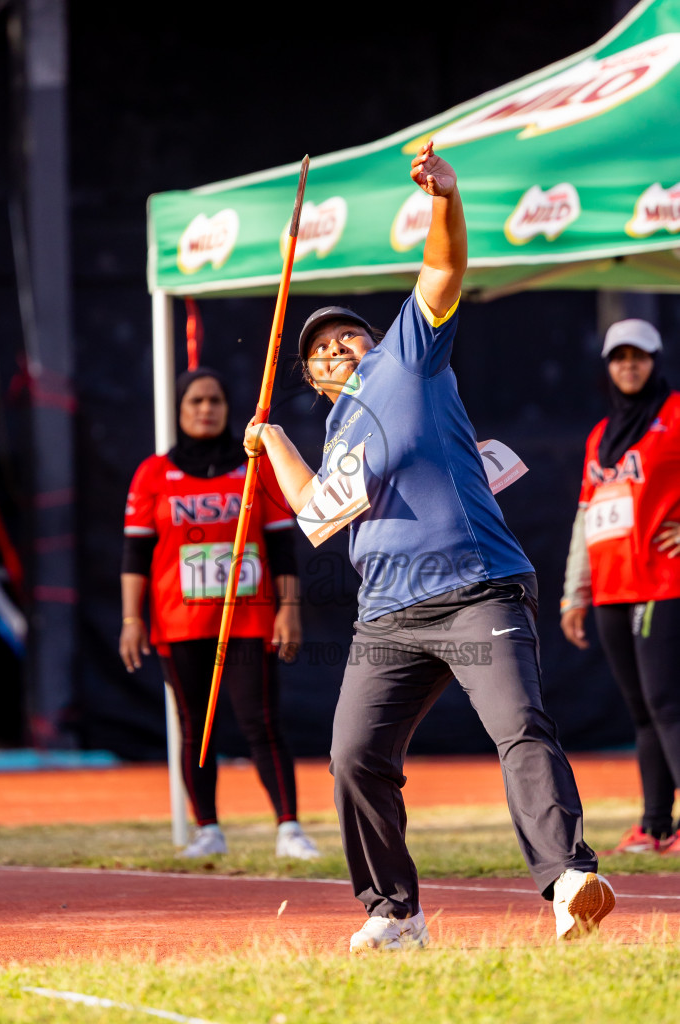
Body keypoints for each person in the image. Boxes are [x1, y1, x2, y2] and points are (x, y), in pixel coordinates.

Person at [244, 140, 615, 950]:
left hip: (474, 587)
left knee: (519, 726)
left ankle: (568, 880)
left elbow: (442, 273)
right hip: (386, 617)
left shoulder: (407, 358)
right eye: (319, 349)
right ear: (311, 377)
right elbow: (313, 512)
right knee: (352, 756)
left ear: (372, 343)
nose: (335, 347)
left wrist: (444, 200)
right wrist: (271, 440)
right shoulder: (338, 433)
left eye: (347, 336)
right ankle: (394, 912)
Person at [119, 367, 319, 861]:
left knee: (262, 721)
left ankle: (289, 828)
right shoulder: (152, 474)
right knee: (195, 725)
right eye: (195, 401)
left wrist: (289, 609)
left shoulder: (255, 467)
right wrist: (130, 619)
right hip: (180, 621)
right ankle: (207, 828)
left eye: (215, 401)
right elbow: (134, 555)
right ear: (180, 410)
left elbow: (281, 544)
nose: (206, 409)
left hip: (249, 619)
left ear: (228, 409)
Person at [561, 318, 680, 856]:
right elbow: (588, 518)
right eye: (618, 356)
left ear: (657, 361)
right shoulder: (600, 435)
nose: (628, 364)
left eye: (639, 355)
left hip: (660, 581)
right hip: (610, 589)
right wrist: (573, 592)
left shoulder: (675, 414)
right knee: (641, 711)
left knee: (666, 702)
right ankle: (655, 825)